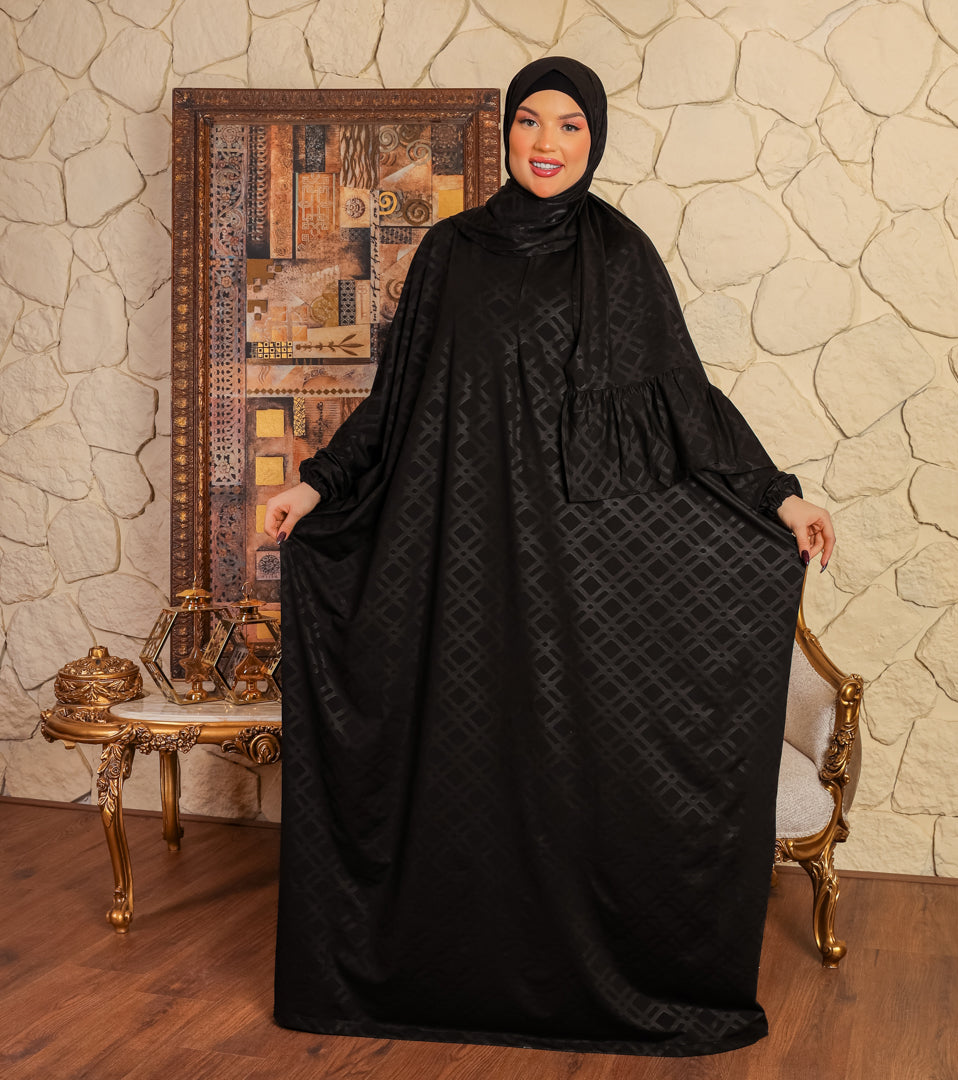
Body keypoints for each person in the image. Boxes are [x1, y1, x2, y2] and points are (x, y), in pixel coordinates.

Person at [267, 57, 835, 1057]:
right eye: (530, 120)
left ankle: (585, 980)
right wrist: (314, 486)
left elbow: (683, 401)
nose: (546, 142)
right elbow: (397, 403)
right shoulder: (451, 253)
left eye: (570, 125)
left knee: (574, 767)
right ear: (506, 133)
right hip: (455, 548)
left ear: (594, 139)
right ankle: (445, 976)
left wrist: (778, 497)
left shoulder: (621, 256)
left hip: (584, 568)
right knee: (459, 752)